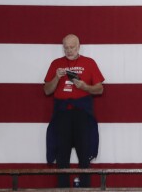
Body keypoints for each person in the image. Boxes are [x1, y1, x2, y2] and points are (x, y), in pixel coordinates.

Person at [44, 34, 105, 188]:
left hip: (82, 113)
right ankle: (62, 189)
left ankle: (85, 188)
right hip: (62, 113)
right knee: (62, 156)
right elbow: (47, 90)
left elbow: (100, 89)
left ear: (79, 46)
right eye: (66, 47)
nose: (69, 50)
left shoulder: (89, 63)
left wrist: (85, 87)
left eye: (72, 47)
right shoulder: (56, 64)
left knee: (84, 155)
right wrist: (56, 78)